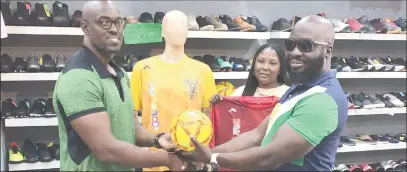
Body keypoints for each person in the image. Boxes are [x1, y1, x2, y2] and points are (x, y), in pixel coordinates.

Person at [181, 15, 348, 171]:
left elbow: (271, 156)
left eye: (306, 45)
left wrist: (213, 158)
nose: (295, 52)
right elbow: (257, 135)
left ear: (328, 50)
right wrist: (206, 155)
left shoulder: (323, 99)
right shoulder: (299, 89)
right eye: (290, 45)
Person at [52, 1, 183, 171]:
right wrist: (168, 159)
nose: (114, 29)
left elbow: (129, 126)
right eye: (104, 22)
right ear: (85, 27)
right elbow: (106, 150)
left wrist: (157, 139)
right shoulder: (79, 77)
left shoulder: (118, 72)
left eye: (118, 22)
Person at [130, 10, 217, 171]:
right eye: (172, 25)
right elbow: (132, 120)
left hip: (191, 161)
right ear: (162, 30)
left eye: (182, 25)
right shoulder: (142, 69)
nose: (178, 30)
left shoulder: (203, 70)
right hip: (154, 161)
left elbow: (208, 119)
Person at [210, 43, 289, 104]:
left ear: (280, 68)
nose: (265, 67)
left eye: (272, 63)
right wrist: (220, 103)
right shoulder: (239, 93)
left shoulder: (289, 96)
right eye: (261, 61)